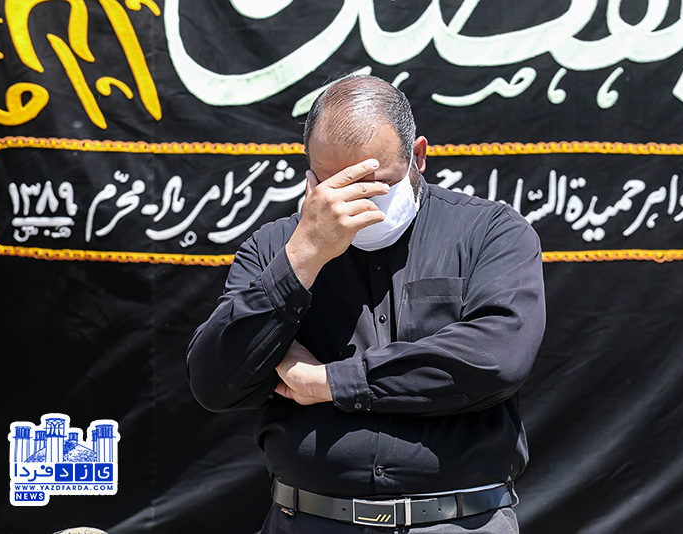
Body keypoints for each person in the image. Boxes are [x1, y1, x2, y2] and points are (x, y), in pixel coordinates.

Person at [186, 75, 545, 533]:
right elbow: (215, 383)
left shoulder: (490, 232)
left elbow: (496, 358)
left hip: (457, 520)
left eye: (374, 184)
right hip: (309, 520)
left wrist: (328, 382)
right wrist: (302, 260)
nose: (352, 205)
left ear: (417, 156)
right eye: (333, 185)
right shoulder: (274, 247)